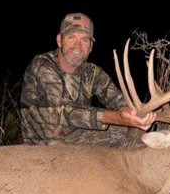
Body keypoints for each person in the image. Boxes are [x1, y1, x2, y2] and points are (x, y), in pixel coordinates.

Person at [20, 12, 157, 148]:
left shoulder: (93, 73)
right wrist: (116, 117)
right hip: (43, 143)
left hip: (78, 136)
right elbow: (64, 112)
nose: (77, 46)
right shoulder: (42, 65)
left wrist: (137, 114)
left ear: (90, 47)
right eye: (71, 37)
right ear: (59, 40)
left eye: (85, 40)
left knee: (135, 133)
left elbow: (118, 101)